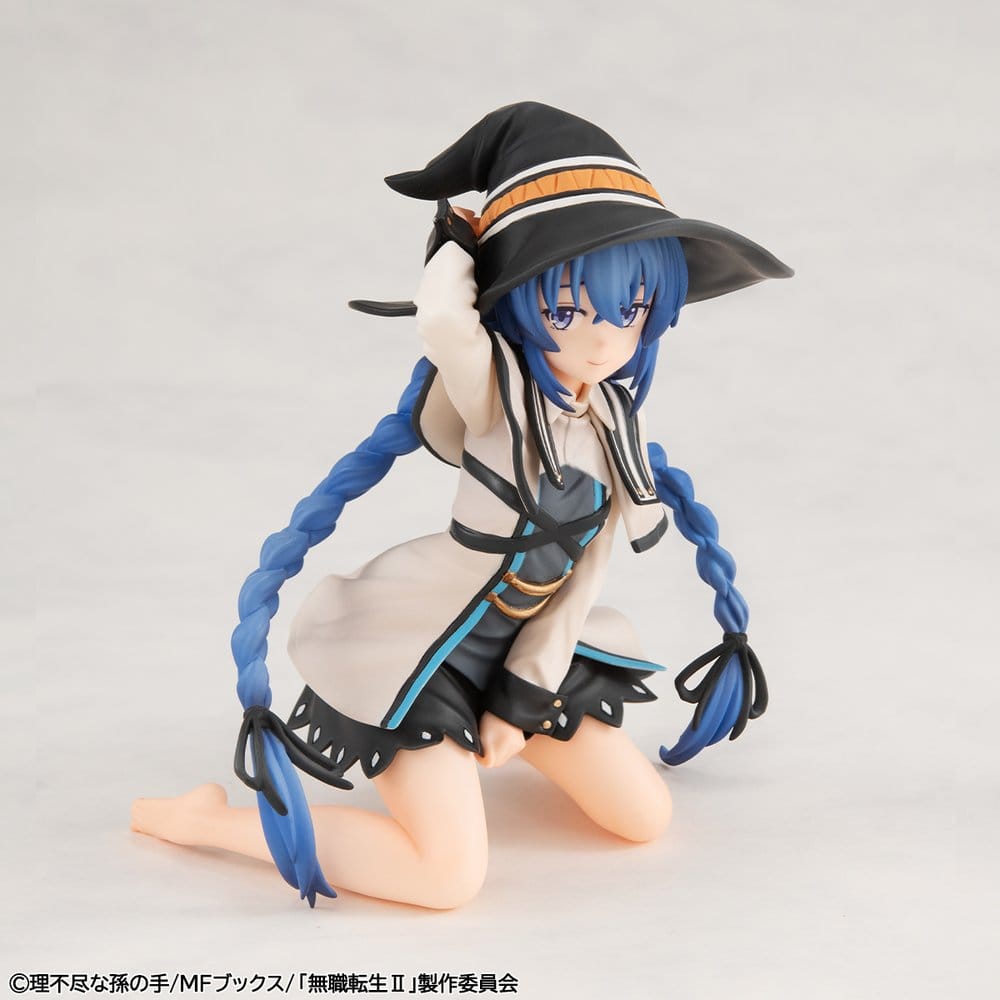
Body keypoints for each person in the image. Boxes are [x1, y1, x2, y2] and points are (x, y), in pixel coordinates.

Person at [131, 102, 790, 909]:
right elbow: (445, 321)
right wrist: (457, 244)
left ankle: (501, 740)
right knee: (445, 879)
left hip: (526, 651)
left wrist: (523, 697)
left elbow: (583, 575)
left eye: (631, 309)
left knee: (644, 819)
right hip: (423, 653)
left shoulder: (616, 424)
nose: (601, 338)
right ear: (516, 304)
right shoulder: (492, 392)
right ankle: (209, 822)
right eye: (565, 308)